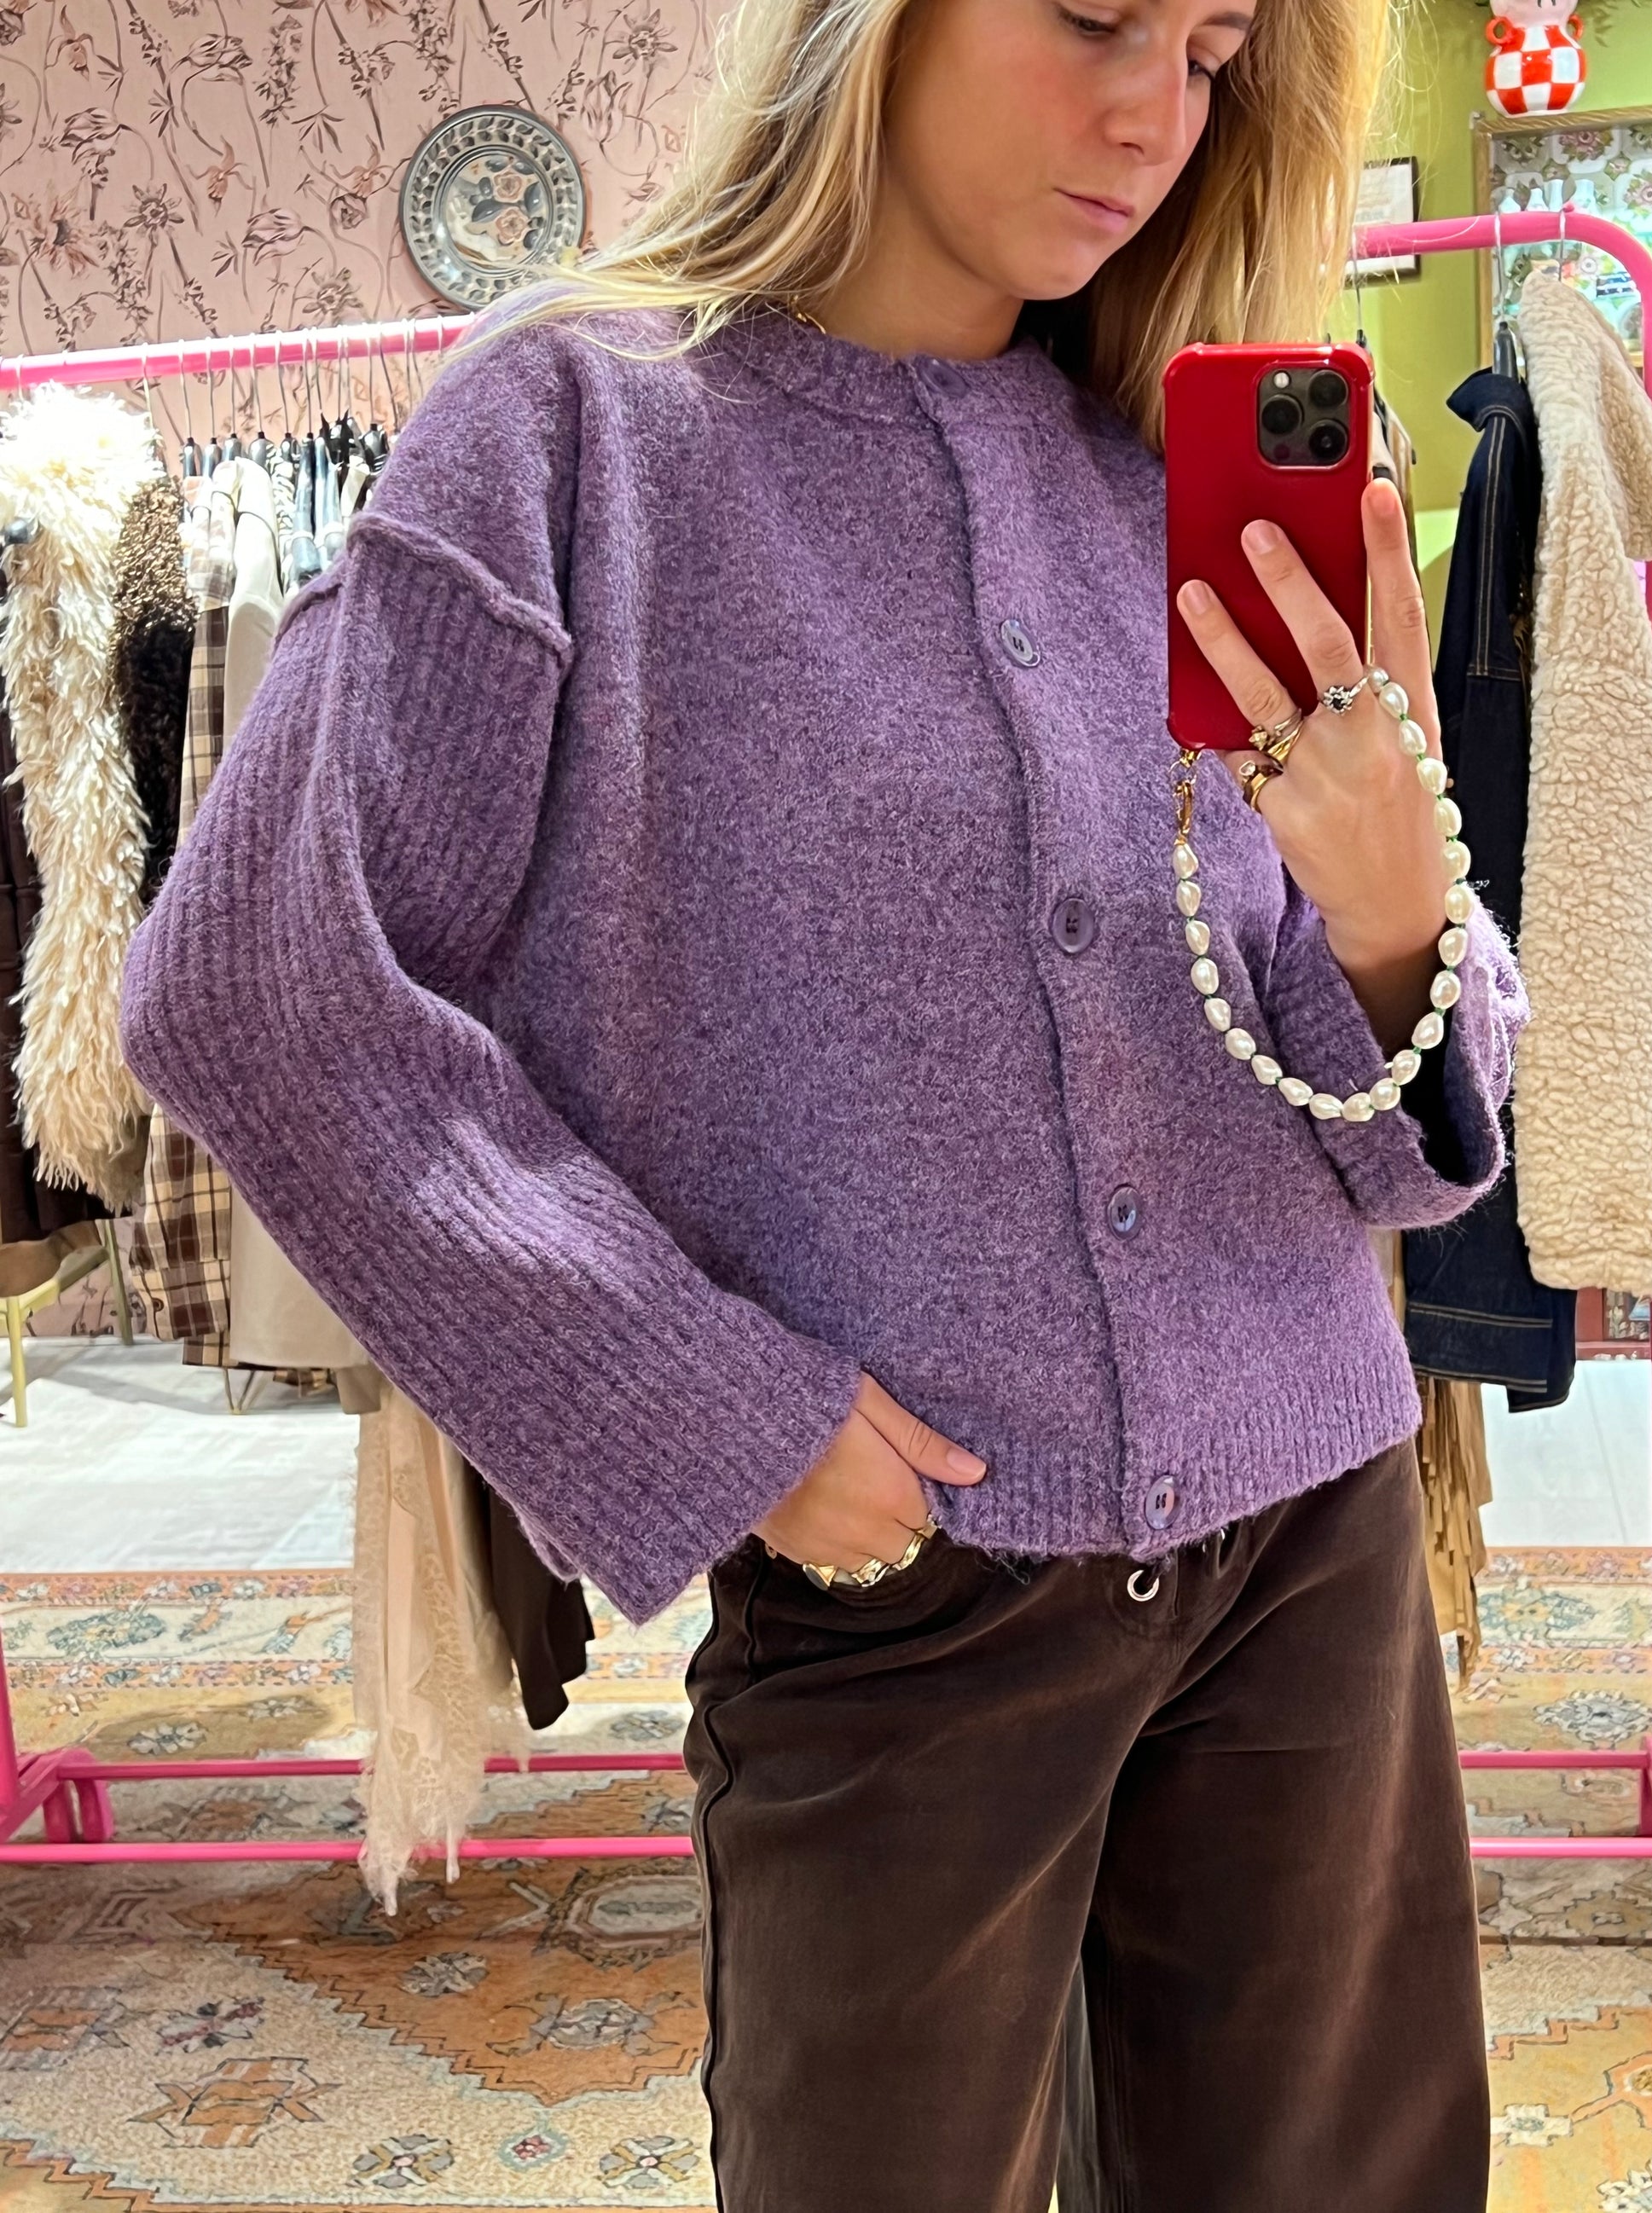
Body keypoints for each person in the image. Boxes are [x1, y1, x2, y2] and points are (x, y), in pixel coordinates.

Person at [120, 0, 1521, 2204]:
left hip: (1311, 1535)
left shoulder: (1173, 463)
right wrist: (707, 1406)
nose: (1152, 116)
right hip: (911, 1590)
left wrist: (1394, 915)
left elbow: (1360, 1108)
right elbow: (262, 986)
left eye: (1208, 51)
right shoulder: (574, 432)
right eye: (1092, 18)